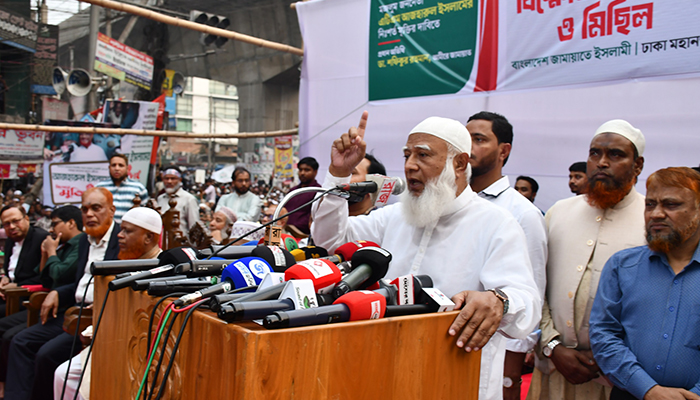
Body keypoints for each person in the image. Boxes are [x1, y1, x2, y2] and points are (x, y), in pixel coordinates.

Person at [311, 112, 540, 400]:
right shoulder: (395, 216)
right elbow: (330, 240)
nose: (409, 165)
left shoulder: (497, 224)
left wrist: (499, 301)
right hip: (385, 373)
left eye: (423, 155)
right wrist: (338, 173)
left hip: (456, 383)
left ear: (459, 163)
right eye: (407, 155)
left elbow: (527, 304)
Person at [527, 119, 647, 400]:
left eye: (615, 155)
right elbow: (535, 286)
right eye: (595, 153)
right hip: (554, 368)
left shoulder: (651, 218)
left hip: (620, 379)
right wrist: (553, 346)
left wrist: (610, 356)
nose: (602, 162)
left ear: (638, 166)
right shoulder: (559, 212)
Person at [590, 167, 700, 400]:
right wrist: (648, 390)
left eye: (671, 205)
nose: (656, 214)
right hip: (631, 394)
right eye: (650, 204)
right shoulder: (622, 266)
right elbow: (604, 334)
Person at [5, 187, 120, 400]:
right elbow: (76, 283)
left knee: (46, 354)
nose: (89, 214)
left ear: (111, 210)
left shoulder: (121, 239)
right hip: (72, 308)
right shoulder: (85, 240)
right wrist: (57, 293)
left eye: (96, 208)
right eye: (85, 209)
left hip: (97, 316)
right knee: (21, 341)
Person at [466, 111, 547, 400]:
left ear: (504, 151)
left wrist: (511, 371)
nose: (469, 147)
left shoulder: (523, 213)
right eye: (465, 138)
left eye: (479, 139)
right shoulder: (450, 204)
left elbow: (531, 291)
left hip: (496, 351)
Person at [54, 206, 163, 400]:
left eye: (127, 231)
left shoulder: (164, 269)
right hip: (112, 340)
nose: (119, 235)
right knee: (63, 375)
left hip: (140, 350)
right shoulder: (123, 262)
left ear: (148, 237)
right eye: (121, 230)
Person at [0, 206, 84, 393]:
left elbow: (58, 275)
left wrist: (51, 251)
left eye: (55, 224)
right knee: (18, 339)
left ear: (71, 223)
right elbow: (46, 278)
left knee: (19, 340)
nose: (52, 229)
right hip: (48, 302)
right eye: (6, 224)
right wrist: (46, 254)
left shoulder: (79, 243)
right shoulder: (61, 244)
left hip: (62, 307)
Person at [1, 205, 50, 315]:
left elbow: (44, 277)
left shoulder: (41, 238)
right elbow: (9, 270)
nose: (11, 227)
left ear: (26, 219)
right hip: (8, 293)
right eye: (7, 224)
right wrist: (5, 278)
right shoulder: (10, 241)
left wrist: (18, 286)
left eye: (15, 221)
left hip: (28, 296)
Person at [96, 154, 148, 223]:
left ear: (127, 168)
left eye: (120, 165)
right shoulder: (99, 188)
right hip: (105, 228)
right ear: (109, 167)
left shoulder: (139, 188)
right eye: (113, 165)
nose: (117, 168)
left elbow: (145, 214)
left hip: (129, 229)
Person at [156, 167, 199, 237]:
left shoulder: (189, 199)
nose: (169, 181)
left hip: (180, 241)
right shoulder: (160, 198)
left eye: (173, 178)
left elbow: (194, 227)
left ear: (180, 180)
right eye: (166, 178)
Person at [283, 157, 321, 234]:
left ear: (315, 172)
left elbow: (314, 216)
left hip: (303, 235)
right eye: (300, 170)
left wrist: (292, 227)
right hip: (284, 231)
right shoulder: (292, 191)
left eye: (307, 170)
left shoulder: (318, 192)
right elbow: (283, 211)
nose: (302, 173)